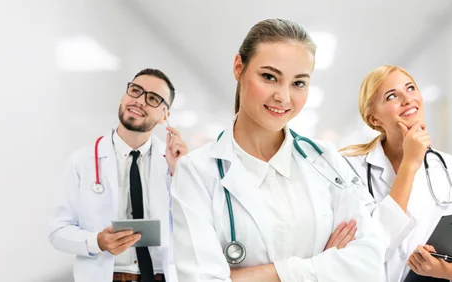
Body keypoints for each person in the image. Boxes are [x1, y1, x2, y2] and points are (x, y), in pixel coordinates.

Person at [169, 19, 386, 282]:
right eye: (269, 77)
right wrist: (323, 266)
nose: (283, 97)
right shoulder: (196, 172)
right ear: (239, 67)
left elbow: (370, 264)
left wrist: (251, 276)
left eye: (299, 83)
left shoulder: (326, 161)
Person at [340, 65, 452, 281]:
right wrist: (410, 163)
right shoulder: (350, 169)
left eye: (411, 88)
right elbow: (369, 248)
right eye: (392, 96)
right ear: (374, 119)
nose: (407, 99)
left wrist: (442, 270)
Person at [49, 68, 189, 282]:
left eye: (152, 98)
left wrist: (179, 172)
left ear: (165, 116)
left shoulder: (175, 164)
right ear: (123, 98)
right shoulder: (82, 161)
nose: (140, 101)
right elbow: (57, 232)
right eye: (135, 91)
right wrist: (97, 241)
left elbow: (193, 229)